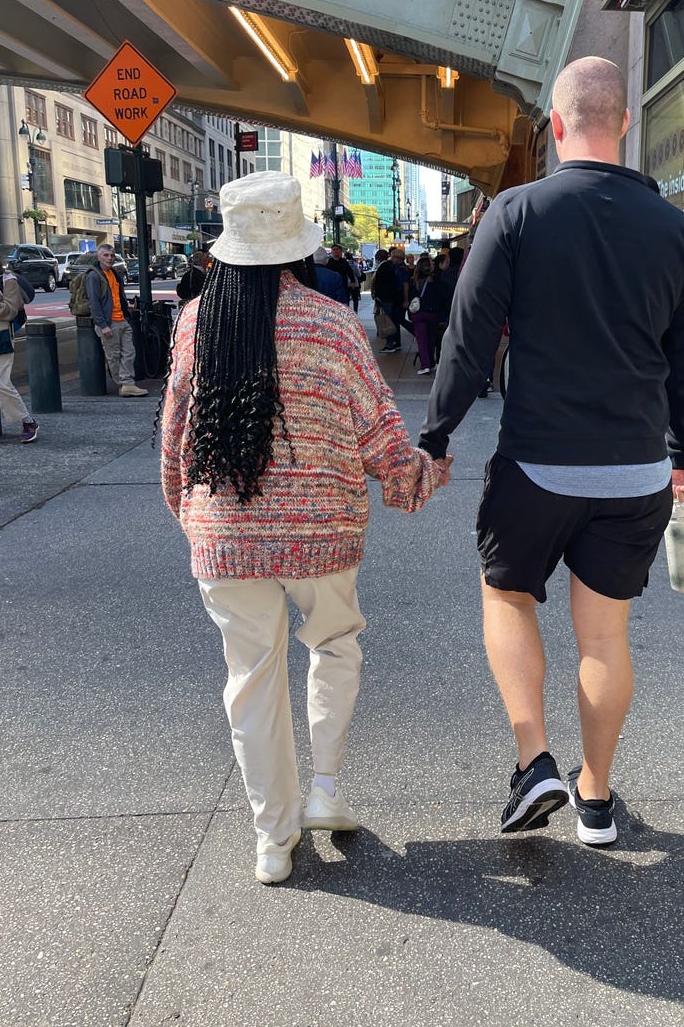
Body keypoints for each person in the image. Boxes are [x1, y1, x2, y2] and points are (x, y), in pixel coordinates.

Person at [419, 56, 684, 848]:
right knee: (604, 637)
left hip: (538, 464)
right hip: (637, 470)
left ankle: (533, 761)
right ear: (623, 123)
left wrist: (436, 437)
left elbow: (468, 338)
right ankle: (596, 798)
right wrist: (683, 453)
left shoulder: (516, 213)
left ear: (555, 125)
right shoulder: (678, 232)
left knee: (507, 596)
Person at [160, 171, 451, 885]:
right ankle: (324, 786)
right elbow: (381, 435)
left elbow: (175, 435)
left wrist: (191, 514)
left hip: (226, 532)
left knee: (249, 678)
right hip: (324, 531)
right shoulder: (331, 323)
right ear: (297, 246)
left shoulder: (197, 321)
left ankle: (271, 836)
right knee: (333, 645)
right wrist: (421, 472)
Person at [0, 239, 38, 446]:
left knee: (0, 382)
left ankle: (28, 421)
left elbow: (8, 311)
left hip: (0, 333)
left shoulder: (7, 280)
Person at [85, 245, 148, 397]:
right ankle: (124, 384)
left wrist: (126, 314)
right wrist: (103, 325)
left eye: (112, 255)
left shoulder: (114, 273)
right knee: (114, 355)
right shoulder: (93, 276)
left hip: (121, 319)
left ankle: (126, 383)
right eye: (106, 255)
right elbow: (94, 302)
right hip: (108, 322)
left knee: (129, 352)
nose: (109, 258)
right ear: (98, 257)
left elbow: (118, 296)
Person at [408, 254, 444, 376]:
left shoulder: (414, 281)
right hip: (433, 313)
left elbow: (410, 297)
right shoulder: (435, 280)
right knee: (431, 339)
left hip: (419, 313)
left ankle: (425, 365)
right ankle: (432, 362)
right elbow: (440, 297)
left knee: (421, 340)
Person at [370, 246, 409, 352]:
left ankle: (391, 343)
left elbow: (404, 284)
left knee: (391, 320)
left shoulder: (398, 269)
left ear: (397, 258)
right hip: (394, 298)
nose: (391, 258)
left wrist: (405, 299)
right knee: (395, 320)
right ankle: (395, 342)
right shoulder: (396, 268)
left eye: (392, 257)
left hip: (390, 298)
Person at [326, 244, 361, 312]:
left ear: (340, 251)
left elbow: (350, 272)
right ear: (332, 251)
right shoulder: (329, 262)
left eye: (337, 249)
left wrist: (353, 282)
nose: (336, 251)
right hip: (332, 286)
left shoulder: (344, 262)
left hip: (344, 286)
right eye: (334, 249)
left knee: (345, 303)